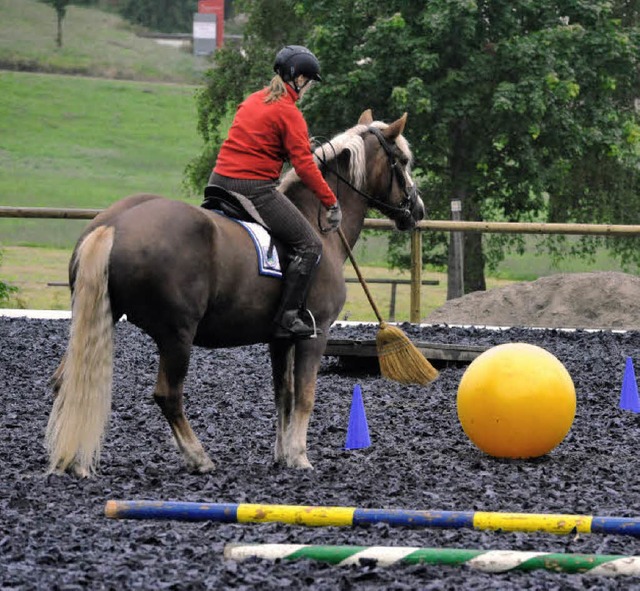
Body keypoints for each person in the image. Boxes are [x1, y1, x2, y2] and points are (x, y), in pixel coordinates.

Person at [208, 45, 342, 339]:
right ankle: (288, 318)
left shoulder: (253, 100)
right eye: (308, 82)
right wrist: (330, 201)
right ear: (299, 79)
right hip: (252, 189)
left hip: (218, 183)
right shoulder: (289, 113)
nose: (307, 89)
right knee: (310, 245)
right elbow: (305, 168)